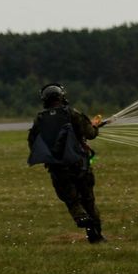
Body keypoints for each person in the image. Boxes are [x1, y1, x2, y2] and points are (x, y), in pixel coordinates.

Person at [27, 83, 108, 243]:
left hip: (57, 167)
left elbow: (33, 143)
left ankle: (80, 216)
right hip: (80, 165)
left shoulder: (40, 119)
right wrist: (95, 127)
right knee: (88, 200)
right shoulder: (73, 113)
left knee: (71, 199)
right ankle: (95, 236)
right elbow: (90, 134)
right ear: (61, 96)